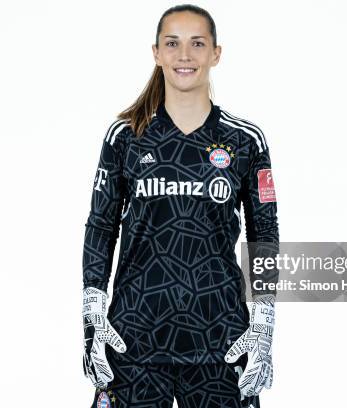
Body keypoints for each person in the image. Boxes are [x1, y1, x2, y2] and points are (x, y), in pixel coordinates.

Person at [82, 4, 279, 408]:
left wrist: (264, 324)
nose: (184, 55)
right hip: (133, 339)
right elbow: (101, 228)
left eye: (197, 44)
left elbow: (265, 238)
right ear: (156, 52)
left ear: (216, 53)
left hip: (222, 342)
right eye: (172, 44)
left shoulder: (245, 140)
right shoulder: (126, 137)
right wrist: (91, 313)